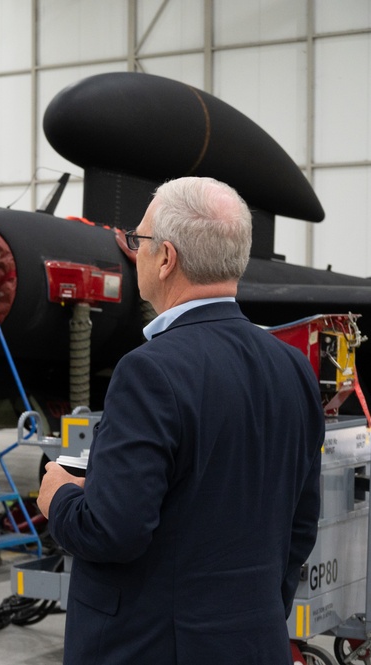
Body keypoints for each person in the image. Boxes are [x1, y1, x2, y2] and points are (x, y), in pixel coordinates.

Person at [37, 177, 324, 664]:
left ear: (166, 258)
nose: (136, 251)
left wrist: (59, 495)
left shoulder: (150, 370)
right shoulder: (292, 366)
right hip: (255, 643)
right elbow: (300, 525)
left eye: (139, 240)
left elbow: (113, 531)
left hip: (151, 648)